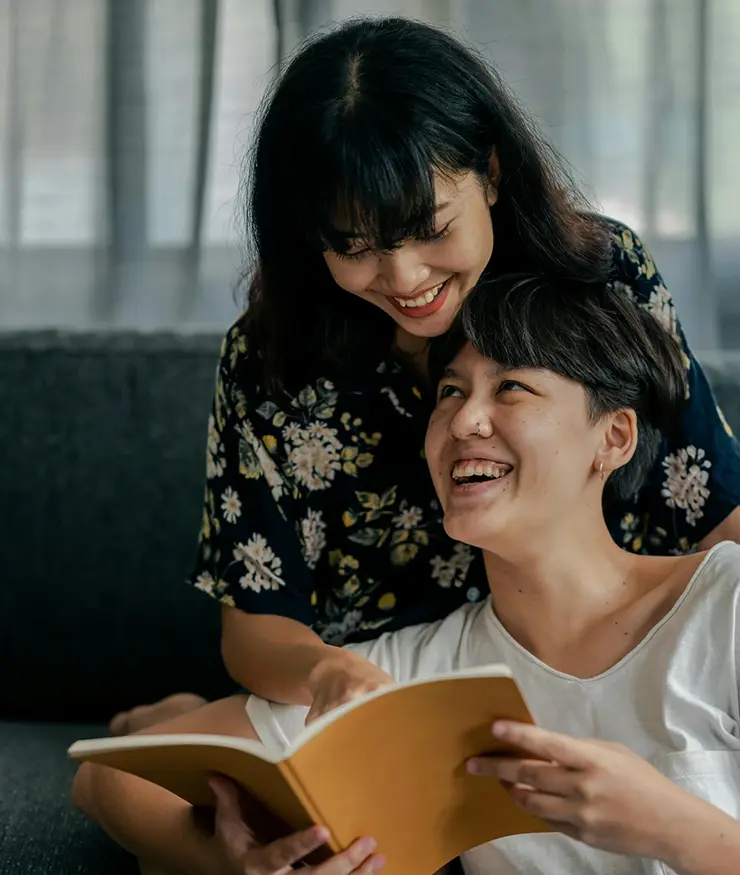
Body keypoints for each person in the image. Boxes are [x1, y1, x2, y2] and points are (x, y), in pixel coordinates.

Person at [110, 16, 740, 740]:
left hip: (599, 658)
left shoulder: (595, 277)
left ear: (492, 174)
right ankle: (179, 718)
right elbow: (260, 621)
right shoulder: (273, 361)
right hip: (384, 693)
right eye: (355, 245)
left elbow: (710, 502)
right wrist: (325, 675)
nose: (405, 279)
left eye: (433, 228)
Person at [74, 275, 740, 875]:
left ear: (614, 438)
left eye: (511, 386)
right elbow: (107, 776)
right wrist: (223, 860)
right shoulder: (420, 677)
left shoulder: (725, 605)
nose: (464, 420)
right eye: (450, 391)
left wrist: (674, 826)